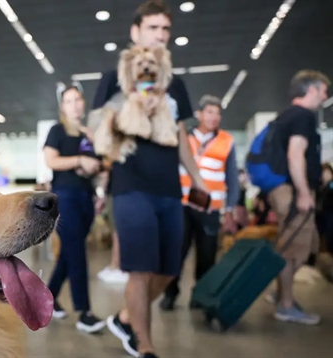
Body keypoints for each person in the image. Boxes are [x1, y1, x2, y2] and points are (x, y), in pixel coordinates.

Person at [92, 1, 208, 356]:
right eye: (153, 28)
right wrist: (130, 112)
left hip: (169, 188)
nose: (160, 35)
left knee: (170, 269)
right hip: (130, 186)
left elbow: (182, 136)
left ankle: (126, 317)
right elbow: (96, 129)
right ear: (136, 32)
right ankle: (145, 344)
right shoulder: (115, 78)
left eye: (165, 29)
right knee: (140, 270)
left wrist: (198, 178)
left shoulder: (176, 84)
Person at [160, 95, 240, 310]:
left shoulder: (227, 141)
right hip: (182, 205)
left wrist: (230, 209)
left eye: (218, 113)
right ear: (199, 114)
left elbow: (232, 178)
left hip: (210, 208)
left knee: (207, 255)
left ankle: (200, 295)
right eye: (210, 112)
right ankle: (170, 293)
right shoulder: (183, 136)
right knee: (177, 252)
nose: (214, 117)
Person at [264, 69, 329, 325]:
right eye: (323, 91)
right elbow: (295, 154)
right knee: (294, 250)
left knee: (304, 245)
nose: (325, 96)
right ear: (311, 90)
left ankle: (282, 294)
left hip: (284, 190)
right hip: (292, 191)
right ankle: (286, 305)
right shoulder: (302, 115)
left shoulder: (286, 115)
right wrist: (303, 192)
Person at [44, 84, 106, 334]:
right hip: (65, 196)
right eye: (69, 101)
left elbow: (102, 164)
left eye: (78, 99)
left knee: (69, 254)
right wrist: (79, 160)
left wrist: (98, 183)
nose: (75, 104)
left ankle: (48, 298)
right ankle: (84, 312)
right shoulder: (57, 131)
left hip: (86, 197)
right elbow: (51, 161)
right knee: (77, 253)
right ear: (62, 106)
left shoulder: (90, 133)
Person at [316, 163, 333, 254]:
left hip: (329, 213)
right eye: (323, 173)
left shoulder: (331, 184)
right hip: (320, 214)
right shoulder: (319, 187)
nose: (325, 175)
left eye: (327, 172)